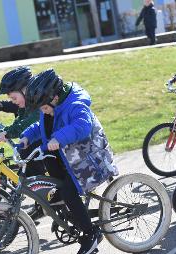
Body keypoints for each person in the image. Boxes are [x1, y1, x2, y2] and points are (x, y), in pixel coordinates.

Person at [20, 68, 118, 254]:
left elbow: (82, 126)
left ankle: (91, 235)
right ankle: (71, 212)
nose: (44, 112)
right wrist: (27, 136)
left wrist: (58, 138)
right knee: (57, 183)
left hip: (89, 159)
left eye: (44, 107)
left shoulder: (76, 104)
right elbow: (40, 126)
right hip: (70, 157)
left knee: (67, 191)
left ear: (54, 97)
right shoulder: (51, 107)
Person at [0, 66, 45, 177]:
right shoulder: (27, 103)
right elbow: (20, 120)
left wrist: (8, 133)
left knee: (27, 151)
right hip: (43, 142)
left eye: (14, 98)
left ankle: (45, 189)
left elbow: (27, 124)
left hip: (58, 145)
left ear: (25, 90)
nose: (13, 102)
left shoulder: (40, 102)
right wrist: (2, 133)